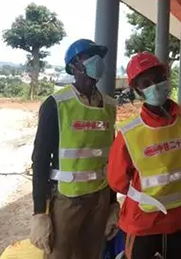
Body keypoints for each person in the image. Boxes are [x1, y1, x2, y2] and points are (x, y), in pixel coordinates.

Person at [107, 52, 181, 259]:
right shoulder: (129, 133)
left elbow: (118, 182)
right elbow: (117, 181)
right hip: (146, 223)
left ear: (166, 78)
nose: (154, 86)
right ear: (138, 90)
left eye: (157, 79)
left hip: (173, 220)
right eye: (146, 83)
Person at [30, 39, 119, 259]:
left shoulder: (109, 106)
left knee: (92, 254)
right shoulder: (56, 104)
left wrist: (112, 203)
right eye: (89, 56)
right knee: (60, 254)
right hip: (67, 199)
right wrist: (39, 212)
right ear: (74, 65)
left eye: (98, 57)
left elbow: (111, 158)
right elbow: (40, 159)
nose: (97, 61)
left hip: (99, 198)